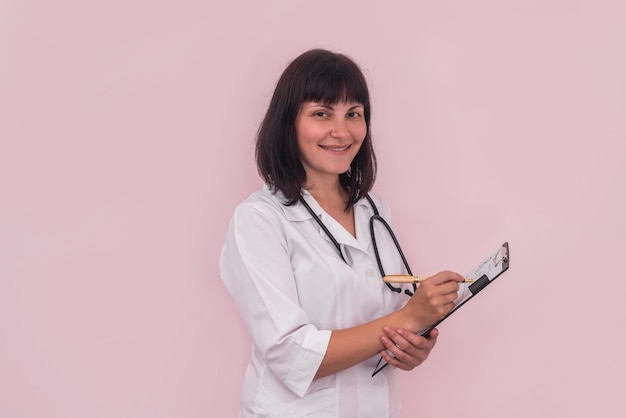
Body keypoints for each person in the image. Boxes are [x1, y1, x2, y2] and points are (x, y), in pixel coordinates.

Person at [220, 48, 465, 418]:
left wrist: (413, 344)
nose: (342, 131)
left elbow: (394, 315)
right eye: (321, 114)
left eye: (354, 114)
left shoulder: (374, 211)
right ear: (288, 123)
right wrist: (408, 318)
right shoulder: (259, 220)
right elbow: (291, 355)